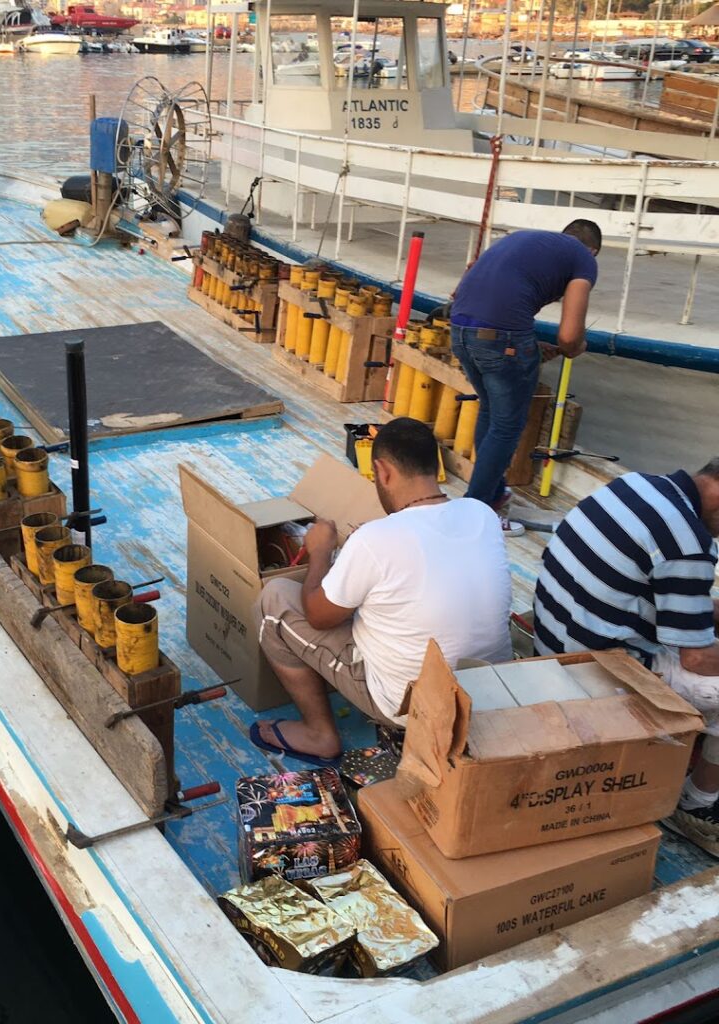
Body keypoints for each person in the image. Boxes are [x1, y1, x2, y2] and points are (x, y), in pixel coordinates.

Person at [251, 418, 513, 766]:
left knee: (275, 598)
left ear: (382, 470)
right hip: (492, 693)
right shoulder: (481, 514)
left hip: (412, 708)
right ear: (434, 466)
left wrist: (319, 552)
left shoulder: (374, 539)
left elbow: (317, 615)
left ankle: (319, 734)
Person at [533, 460, 719, 855]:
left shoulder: (636, 487)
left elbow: (660, 588)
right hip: (595, 676)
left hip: (552, 645)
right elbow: (698, 660)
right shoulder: (688, 541)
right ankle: (697, 806)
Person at [450, 220, 601, 536]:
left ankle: (494, 493)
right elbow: (569, 336)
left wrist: (526, 346)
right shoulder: (584, 259)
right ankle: (476, 512)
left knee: (491, 412)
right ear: (594, 250)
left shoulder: (527, 239)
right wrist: (575, 347)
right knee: (506, 426)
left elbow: (467, 276)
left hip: (460, 329)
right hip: (500, 337)